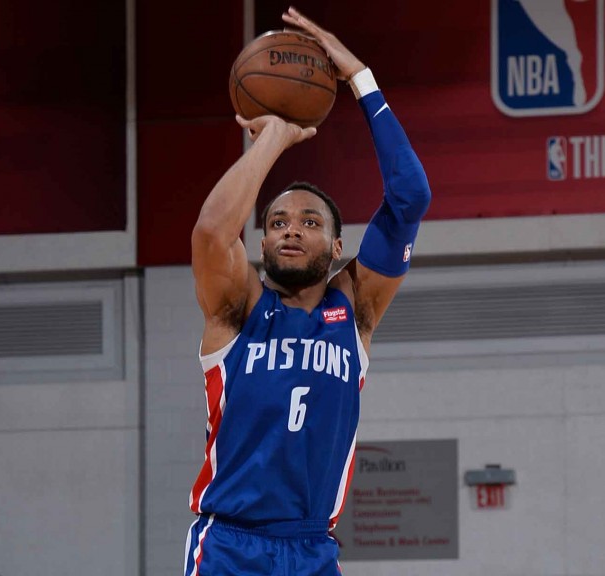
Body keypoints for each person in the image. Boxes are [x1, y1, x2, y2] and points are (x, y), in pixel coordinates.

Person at [184, 7, 431, 575]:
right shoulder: (237, 307)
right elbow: (211, 232)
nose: (291, 228)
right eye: (276, 223)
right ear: (264, 244)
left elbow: (410, 197)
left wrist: (362, 79)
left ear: (338, 247)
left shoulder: (357, 308)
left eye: (310, 222)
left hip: (314, 548)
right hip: (229, 545)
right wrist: (271, 139)